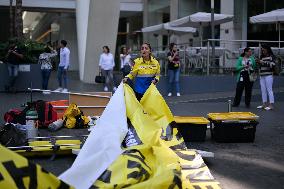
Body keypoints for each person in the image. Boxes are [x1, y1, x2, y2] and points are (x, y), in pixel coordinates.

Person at [256, 44, 275, 110]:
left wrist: (262, 62)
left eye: (263, 49)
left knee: (269, 90)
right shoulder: (261, 56)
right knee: (263, 90)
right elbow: (261, 66)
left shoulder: (271, 56)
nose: (262, 50)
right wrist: (258, 62)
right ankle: (264, 104)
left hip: (269, 75)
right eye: (262, 49)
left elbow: (272, 65)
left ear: (267, 49)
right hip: (262, 75)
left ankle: (271, 105)